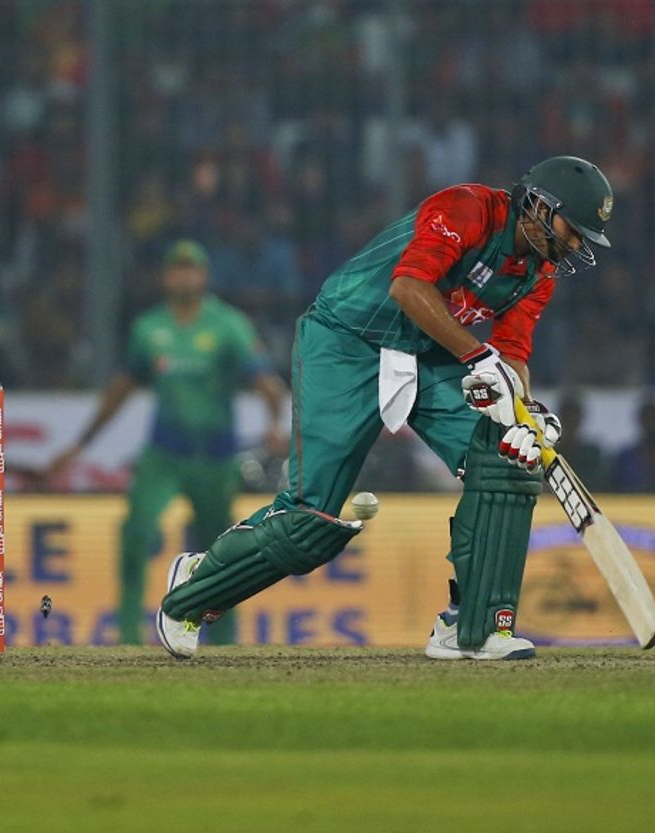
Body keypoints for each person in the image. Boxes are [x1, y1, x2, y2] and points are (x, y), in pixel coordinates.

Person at [156, 156, 614, 661]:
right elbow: (408, 287)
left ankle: (474, 627)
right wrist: (480, 359)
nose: (575, 245)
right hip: (346, 340)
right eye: (574, 230)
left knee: (506, 455)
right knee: (309, 518)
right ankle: (196, 591)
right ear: (541, 206)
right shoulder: (469, 208)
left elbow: (514, 354)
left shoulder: (539, 273)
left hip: (426, 350)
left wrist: (525, 413)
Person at [50, 241, 287, 646]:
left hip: (215, 459)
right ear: (165, 277)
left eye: (191, 269)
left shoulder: (228, 324)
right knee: (135, 535)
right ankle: (127, 636)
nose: (184, 276)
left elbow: (266, 380)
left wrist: (274, 421)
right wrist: (81, 444)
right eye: (176, 269)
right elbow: (121, 389)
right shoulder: (149, 328)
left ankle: (224, 642)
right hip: (163, 456)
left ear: (204, 276)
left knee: (223, 554)